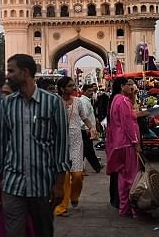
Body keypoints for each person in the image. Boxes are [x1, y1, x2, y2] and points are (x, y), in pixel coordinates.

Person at [0, 54, 69, 237]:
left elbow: (60, 146)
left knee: (43, 231)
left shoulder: (53, 103)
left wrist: (59, 185)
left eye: (11, 70)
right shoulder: (8, 104)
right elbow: (1, 145)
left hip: (42, 184)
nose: (7, 75)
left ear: (25, 72)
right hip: (12, 183)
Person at [53, 77, 97, 217]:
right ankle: (61, 206)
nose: (74, 88)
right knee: (64, 175)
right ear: (61, 89)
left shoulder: (78, 102)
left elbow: (84, 117)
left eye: (74, 85)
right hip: (59, 141)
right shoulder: (55, 101)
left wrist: (91, 128)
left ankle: (75, 195)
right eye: (70, 86)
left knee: (77, 175)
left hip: (76, 140)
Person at [105, 77, 141, 218]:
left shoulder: (115, 100)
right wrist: (135, 141)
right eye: (128, 85)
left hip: (118, 144)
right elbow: (128, 124)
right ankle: (134, 210)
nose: (131, 87)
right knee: (132, 177)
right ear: (122, 86)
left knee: (122, 178)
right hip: (127, 143)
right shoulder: (124, 101)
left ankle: (124, 208)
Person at [79, 84, 102, 173]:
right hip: (85, 129)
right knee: (85, 149)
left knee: (88, 149)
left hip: (88, 128)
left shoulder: (87, 101)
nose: (91, 93)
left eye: (92, 91)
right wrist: (87, 128)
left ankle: (96, 166)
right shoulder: (84, 102)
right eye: (89, 91)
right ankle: (79, 168)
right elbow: (83, 116)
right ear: (84, 91)